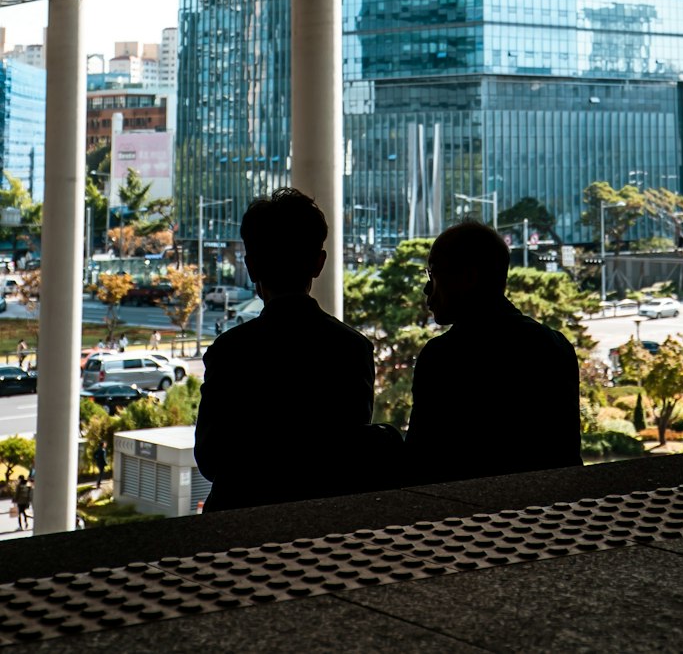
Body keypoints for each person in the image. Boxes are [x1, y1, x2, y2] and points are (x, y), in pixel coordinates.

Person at [194, 188, 383, 512]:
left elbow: (211, 459)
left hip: (238, 524)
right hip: (324, 525)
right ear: (318, 264)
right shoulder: (352, 349)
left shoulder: (230, 351)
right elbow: (352, 453)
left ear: (252, 267)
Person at [405, 220, 582, 484]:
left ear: (468, 277)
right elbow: (566, 457)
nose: (427, 289)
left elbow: (421, 463)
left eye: (434, 274)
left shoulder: (442, 357)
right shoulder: (554, 346)